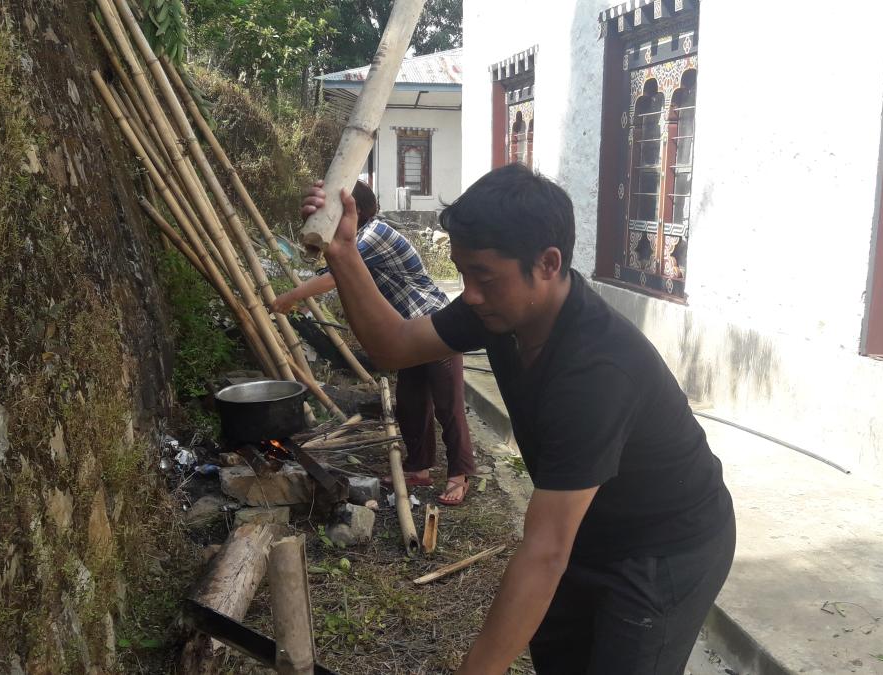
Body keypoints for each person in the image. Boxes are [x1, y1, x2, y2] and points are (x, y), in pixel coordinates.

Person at [300, 164, 735, 674]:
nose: (470, 292)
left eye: (483, 277)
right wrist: (344, 253)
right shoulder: (498, 309)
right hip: (592, 527)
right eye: (463, 274)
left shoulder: (597, 370)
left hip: (667, 546)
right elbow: (393, 346)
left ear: (548, 264)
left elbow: (546, 550)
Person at [273, 181, 476, 505]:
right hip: (409, 331)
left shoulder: (375, 234)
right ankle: (419, 468)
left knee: (447, 403)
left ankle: (459, 474)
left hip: (435, 325)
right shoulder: (360, 235)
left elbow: (335, 275)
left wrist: (289, 297)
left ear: (357, 210)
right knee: (410, 402)